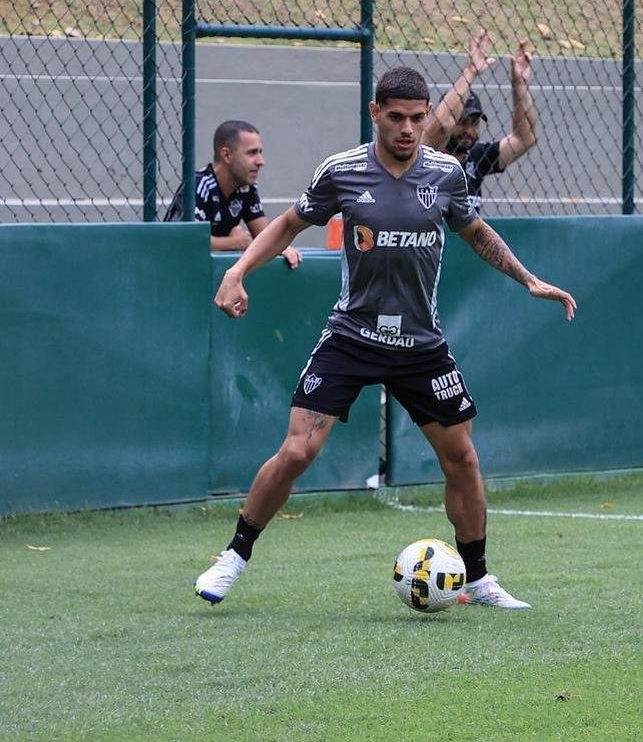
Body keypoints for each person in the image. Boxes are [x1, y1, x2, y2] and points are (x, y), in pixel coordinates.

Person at [194, 66, 576, 610]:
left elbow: (475, 232)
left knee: (462, 458)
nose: (407, 128)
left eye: (417, 119)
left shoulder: (446, 174)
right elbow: (285, 226)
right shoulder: (342, 171)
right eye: (395, 117)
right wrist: (236, 273)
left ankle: (478, 577)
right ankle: (233, 556)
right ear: (375, 114)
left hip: (422, 345)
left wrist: (529, 278)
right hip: (352, 336)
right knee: (299, 450)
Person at [421, 29, 538, 215]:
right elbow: (442, 125)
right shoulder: (426, 154)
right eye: (462, 122)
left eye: (474, 122)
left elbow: (525, 138)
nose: (468, 130)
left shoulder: (476, 157)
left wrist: (520, 86)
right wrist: (470, 72)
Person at [164, 120, 302, 267]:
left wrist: (280, 247)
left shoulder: (246, 188)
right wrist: (233, 242)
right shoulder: (199, 186)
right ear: (227, 155)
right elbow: (184, 241)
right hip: (173, 269)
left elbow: (264, 235)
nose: (261, 161)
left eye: (260, 152)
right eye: (252, 153)